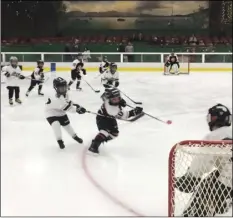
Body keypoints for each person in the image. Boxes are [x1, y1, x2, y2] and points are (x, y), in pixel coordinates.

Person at [175, 103, 232, 216]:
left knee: (205, 189)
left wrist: (190, 178)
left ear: (213, 119)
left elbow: (202, 163)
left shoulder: (212, 137)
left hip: (228, 182)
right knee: (215, 176)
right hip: (227, 177)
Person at [88, 87, 143, 154]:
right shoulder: (113, 110)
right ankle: (94, 145)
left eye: (118, 98)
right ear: (110, 99)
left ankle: (100, 140)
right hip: (102, 118)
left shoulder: (107, 98)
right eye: (114, 99)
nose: (116, 100)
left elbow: (103, 96)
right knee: (104, 131)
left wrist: (121, 101)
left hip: (108, 117)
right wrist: (134, 112)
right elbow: (125, 116)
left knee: (114, 134)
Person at [45, 77, 87, 149]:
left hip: (61, 112)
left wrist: (78, 105)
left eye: (65, 87)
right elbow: (66, 107)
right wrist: (77, 110)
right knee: (56, 125)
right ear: (56, 88)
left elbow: (69, 102)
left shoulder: (65, 93)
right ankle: (60, 141)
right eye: (61, 87)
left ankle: (75, 136)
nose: (64, 89)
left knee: (67, 126)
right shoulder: (54, 96)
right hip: (51, 113)